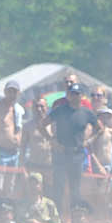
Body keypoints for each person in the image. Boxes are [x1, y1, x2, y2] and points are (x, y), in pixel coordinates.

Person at [40, 83, 93, 211]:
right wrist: (51, 140)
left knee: (75, 189)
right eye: (72, 94)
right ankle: (57, 219)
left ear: (82, 96)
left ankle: (76, 219)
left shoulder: (86, 112)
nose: (74, 97)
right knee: (58, 188)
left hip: (77, 155)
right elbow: (42, 125)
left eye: (77, 94)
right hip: (61, 154)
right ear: (68, 96)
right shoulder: (60, 110)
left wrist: (89, 140)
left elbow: (100, 129)